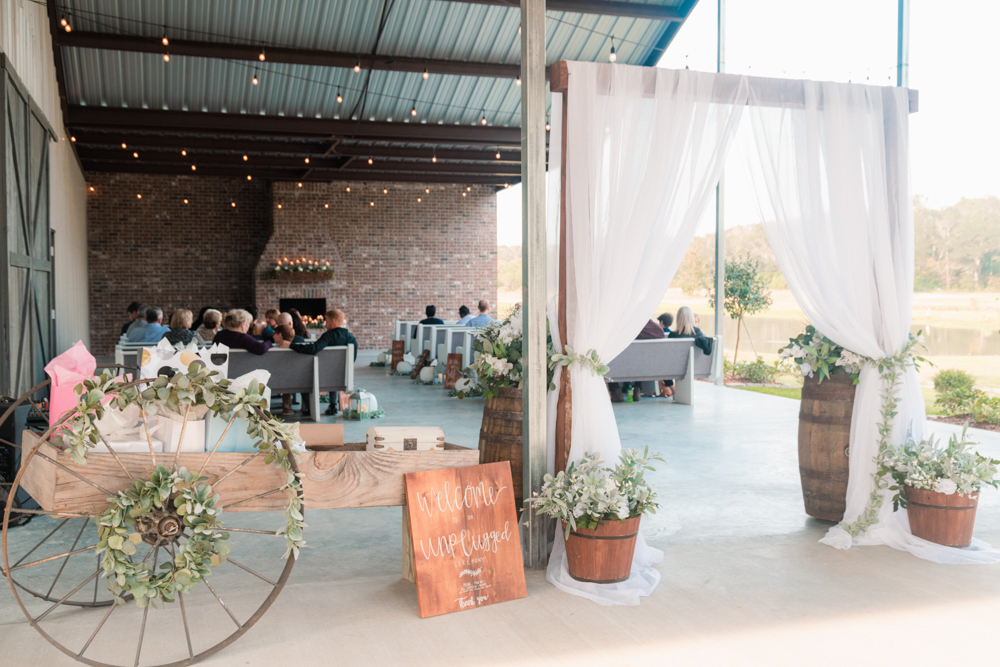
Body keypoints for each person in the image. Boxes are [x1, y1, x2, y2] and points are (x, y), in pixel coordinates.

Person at [292, 309, 359, 416]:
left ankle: (310, 408)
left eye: (326, 321)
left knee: (305, 377)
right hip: (342, 377)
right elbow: (352, 361)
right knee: (334, 372)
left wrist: (292, 346)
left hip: (322, 377)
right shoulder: (352, 339)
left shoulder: (328, 336)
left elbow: (314, 349)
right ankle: (333, 405)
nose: (325, 324)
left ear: (333, 321)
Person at [610, 319, 665, 402]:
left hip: (625, 364)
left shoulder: (629, 328)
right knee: (641, 359)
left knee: (610, 358)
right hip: (649, 365)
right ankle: (637, 388)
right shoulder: (657, 329)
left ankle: (616, 390)